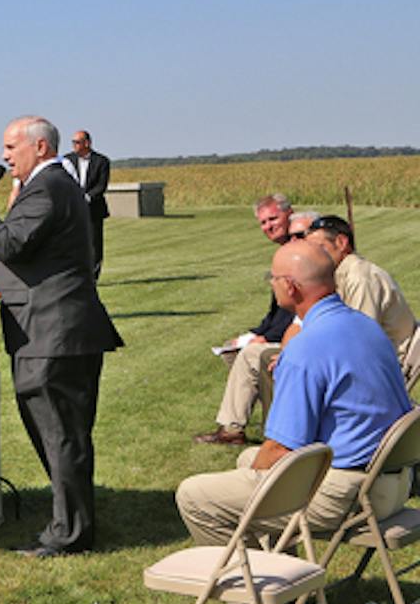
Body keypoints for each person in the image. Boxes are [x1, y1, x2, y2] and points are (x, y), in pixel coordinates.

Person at [0, 115, 123, 556]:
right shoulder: (48, 187)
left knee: (61, 435)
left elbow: (12, 244)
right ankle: (71, 520)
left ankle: (70, 534)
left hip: (54, 334)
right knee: (57, 434)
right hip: (49, 332)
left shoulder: (48, 187)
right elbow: (35, 258)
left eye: (11, 147)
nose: (5, 156)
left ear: (41, 147)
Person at [175, 240, 411, 546]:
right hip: (391, 482)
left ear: (290, 286)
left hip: (347, 495)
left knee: (195, 496)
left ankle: (260, 590)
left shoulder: (306, 348)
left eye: (272, 278)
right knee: (247, 461)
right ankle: (290, 587)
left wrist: (261, 485)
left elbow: (281, 449)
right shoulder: (366, 326)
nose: (272, 285)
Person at [193, 193, 301, 445]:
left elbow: (298, 312)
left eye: (273, 218)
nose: (269, 226)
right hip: (284, 333)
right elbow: (277, 312)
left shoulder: (298, 256)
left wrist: (265, 338)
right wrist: (254, 333)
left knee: (249, 355)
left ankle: (236, 428)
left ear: (289, 214)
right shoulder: (285, 253)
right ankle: (246, 422)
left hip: (299, 338)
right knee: (233, 350)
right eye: (263, 223)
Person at [304, 215, 416, 352]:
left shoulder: (360, 277)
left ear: (341, 243)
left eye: (319, 248)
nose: (313, 256)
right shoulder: (336, 276)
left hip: (398, 364)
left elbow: (359, 340)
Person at [61, 130, 110, 279]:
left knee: (94, 244)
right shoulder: (66, 161)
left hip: (93, 209)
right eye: (73, 142)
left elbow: (101, 186)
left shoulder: (101, 161)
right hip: (73, 209)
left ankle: (93, 276)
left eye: (77, 142)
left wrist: (86, 198)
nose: (74, 145)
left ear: (87, 143)